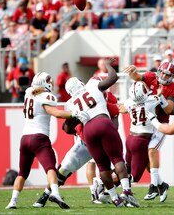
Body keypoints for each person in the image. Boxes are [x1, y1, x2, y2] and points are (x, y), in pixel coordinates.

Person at [5, 72, 89, 209]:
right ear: (46, 83)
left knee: (22, 173)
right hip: (39, 138)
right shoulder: (46, 96)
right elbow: (55, 112)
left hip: (25, 138)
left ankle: (13, 201)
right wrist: (74, 113)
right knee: (50, 168)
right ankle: (55, 193)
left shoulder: (28, 93)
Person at [64, 60, 139, 208]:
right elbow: (113, 78)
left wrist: (75, 119)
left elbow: (67, 129)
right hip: (102, 121)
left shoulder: (70, 103)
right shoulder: (92, 85)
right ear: (80, 83)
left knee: (102, 166)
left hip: (88, 131)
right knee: (117, 159)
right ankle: (127, 191)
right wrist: (109, 66)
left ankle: (115, 198)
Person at [33, 91, 120, 207]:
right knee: (64, 169)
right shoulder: (80, 100)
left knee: (119, 169)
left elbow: (67, 128)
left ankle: (103, 188)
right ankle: (45, 195)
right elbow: (67, 128)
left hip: (94, 140)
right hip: (89, 142)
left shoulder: (97, 95)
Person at [124, 61, 174, 202]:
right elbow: (136, 77)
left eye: (167, 74)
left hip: (161, 124)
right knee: (145, 157)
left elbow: (168, 110)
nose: (163, 75)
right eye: (162, 72)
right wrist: (133, 71)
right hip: (148, 124)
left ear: (171, 76)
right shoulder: (150, 76)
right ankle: (161, 185)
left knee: (151, 150)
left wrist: (160, 96)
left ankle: (153, 186)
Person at [119, 81, 161, 183]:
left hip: (130, 138)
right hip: (141, 140)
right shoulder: (152, 100)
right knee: (134, 177)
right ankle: (103, 182)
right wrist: (159, 92)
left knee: (126, 170)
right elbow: (159, 97)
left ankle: (125, 192)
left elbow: (121, 109)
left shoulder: (129, 102)